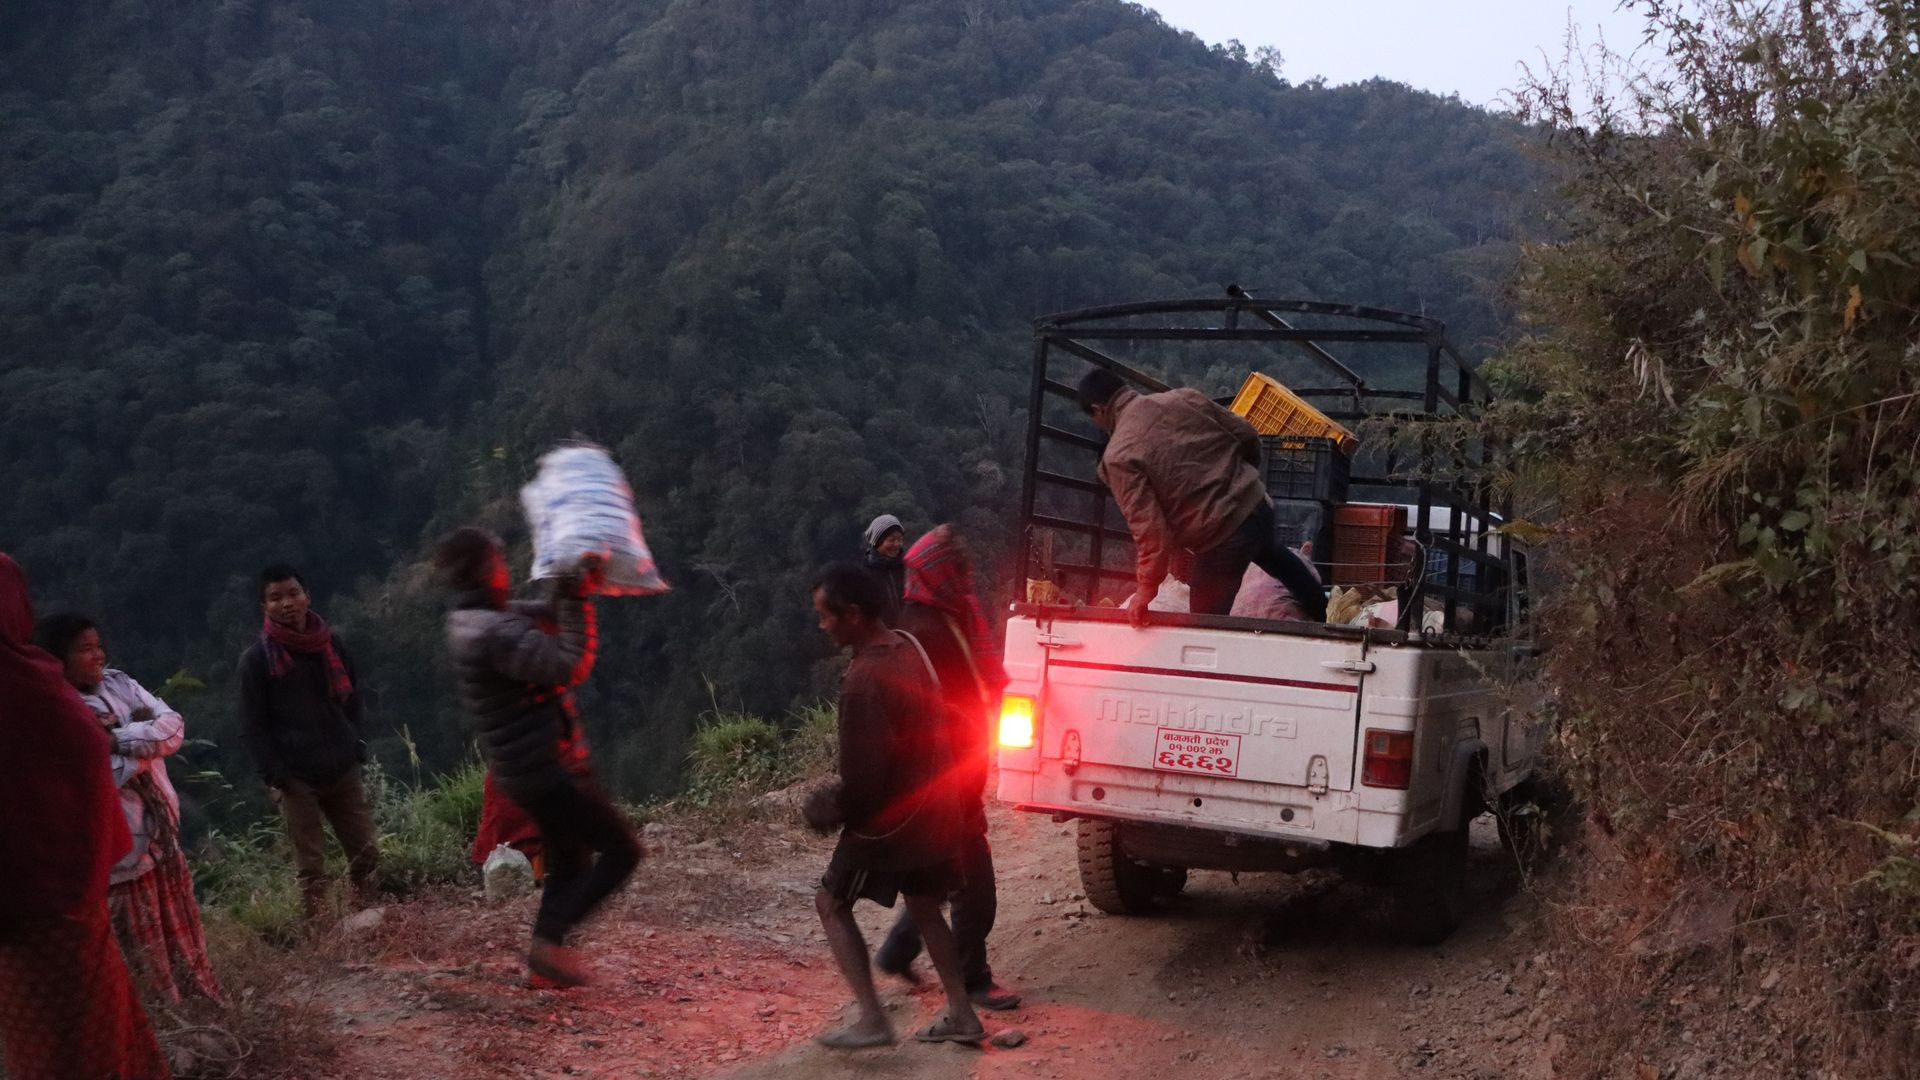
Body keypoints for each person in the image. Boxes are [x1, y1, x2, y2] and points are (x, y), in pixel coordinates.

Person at [437, 528, 640, 987]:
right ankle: (548, 947)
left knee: (569, 860)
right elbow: (570, 663)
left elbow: (542, 616)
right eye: (500, 561)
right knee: (622, 850)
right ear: (487, 569)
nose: (506, 570)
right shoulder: (497, 632)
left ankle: (542, 962)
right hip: (547, 767)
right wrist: (578, 598)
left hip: (523, 769)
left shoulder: (473, 620)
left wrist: (569, 587)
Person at [0, 554, 172, 1080]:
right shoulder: (26, 686)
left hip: (51, 890)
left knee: (55, 1026)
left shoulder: (29, 677)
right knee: (75, 1029)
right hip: (47, 892)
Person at [805, 564, 984, 1049]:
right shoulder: (910, 645)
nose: (822, 626)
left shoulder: (864, 681)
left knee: (831, 902)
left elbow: (864, 782)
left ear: (854, 615)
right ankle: (963, 1015)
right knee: (926, 908)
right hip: (934, 809)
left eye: (826, 616)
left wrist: (830, 810)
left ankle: (872, 1019)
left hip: (893, 825)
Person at [35, 613, 221, 1004]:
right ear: (58, 659)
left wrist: (116, 739)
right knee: (144, 953)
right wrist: (141, 740)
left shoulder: (119, 683)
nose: (98, 655)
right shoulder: (58, 711)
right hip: (123, 856)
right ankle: (169, 1026)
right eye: (85, 650)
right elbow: (103, 772)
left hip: (161, 837)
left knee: (185, 940)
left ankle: (204, 1008)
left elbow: (172, 728)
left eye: (98, 646)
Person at [872, 526, 1020, 1011]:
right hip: (946, 779)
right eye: (959, 569)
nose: (968, 577)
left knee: (942, 872)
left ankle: (897, 951)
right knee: (975, 886)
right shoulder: (933, 632)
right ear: (940, 575)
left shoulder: (932, 617)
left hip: (940, 779)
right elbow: (950, 712)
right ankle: (973, 979)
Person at [1076, 368, 1327, 626]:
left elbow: (1151, 532)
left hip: (1221, 536)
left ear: (1099, 410)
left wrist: (1145, 591)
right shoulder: (1182, 399)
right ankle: (1326, 620)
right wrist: (1243, 480)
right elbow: (1247, 434)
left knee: (1204, 626)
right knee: (1276, 558)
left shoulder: (1119, 455)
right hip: (1258, 506)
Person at [237, 564, 380, 921]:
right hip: (296, 777)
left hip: (342, 766)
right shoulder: (257, 660)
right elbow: (253, 724)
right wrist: (278, 775)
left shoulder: (330, 644)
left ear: (307, 596)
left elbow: (353, 697)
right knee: (311, 867)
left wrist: (356, 742)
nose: (287, 603)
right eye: (275, 597)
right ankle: (321, 939)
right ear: (263, 607)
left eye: (293, 593)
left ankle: (369, 919)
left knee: (366, 852)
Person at [860, 514, 907, 626]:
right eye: (891, 540)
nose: (897, 544)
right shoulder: (864, 575)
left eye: (900, 539)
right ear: (877, 542)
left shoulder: (908, 568)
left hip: (912, 635)